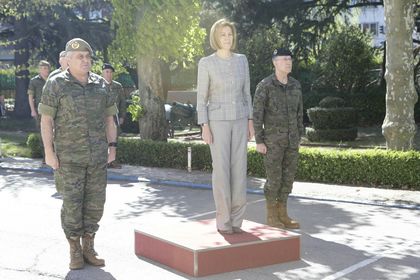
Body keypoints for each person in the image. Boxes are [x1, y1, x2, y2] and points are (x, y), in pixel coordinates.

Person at [38, 38, 118, 270]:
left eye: (87, 57)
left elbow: (109, 119)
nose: (85, 60)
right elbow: (46, 121)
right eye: (79, 57)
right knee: (72, 205)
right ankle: (74, 249)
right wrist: (48, 152)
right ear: (68, 60)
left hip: (97, 158)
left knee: (95, 204)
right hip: (68, 158)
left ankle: (89, 247)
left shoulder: (101, 85)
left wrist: (112, 147)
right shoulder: (55, 84)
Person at [197, 19, 254, 235]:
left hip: (240, 120)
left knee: (239, 169)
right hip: (217, 121)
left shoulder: (242, 60)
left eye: (230, 34)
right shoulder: (207, 63)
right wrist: (204, 125)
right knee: (221, 171)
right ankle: (223, 219)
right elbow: (201, 98)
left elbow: (247, 93)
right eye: (223, 35)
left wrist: (250, 121)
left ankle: (237, 220)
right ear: (216, 38)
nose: (227, 38)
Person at [253, 48, 304, 229]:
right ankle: (271, 216)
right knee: (274, 180)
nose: (288, 62)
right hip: (273, 142)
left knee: (287, 179)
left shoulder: (295, 85)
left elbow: (299, 113)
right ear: (275, 62)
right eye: (284, 59)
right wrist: (259, 141)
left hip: (291, 141)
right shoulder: (265, 85)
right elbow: (257, 115)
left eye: (289, 59)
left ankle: (283, 214)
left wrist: (300, 135)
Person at [102, 63, 126, 169]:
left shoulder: (118, 86)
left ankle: (113, 160)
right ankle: (104, 161)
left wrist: (122, 116)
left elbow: (123, 102)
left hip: (115, 117)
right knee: (102, 139)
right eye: (107, 72)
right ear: (102, 73)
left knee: (115, 139)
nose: (109, 74)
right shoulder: (98, 85)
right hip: (102, 118)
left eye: (111, 72)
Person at [28, 60, 50, 128]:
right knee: (41, 129)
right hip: (39, 109)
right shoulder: (34, 81)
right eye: (44, 68)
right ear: (39, 70)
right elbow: (30, 96)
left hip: (51, 107)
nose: (46, 70)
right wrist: (33, 111)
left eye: (47, 68)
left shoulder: (52, 79)